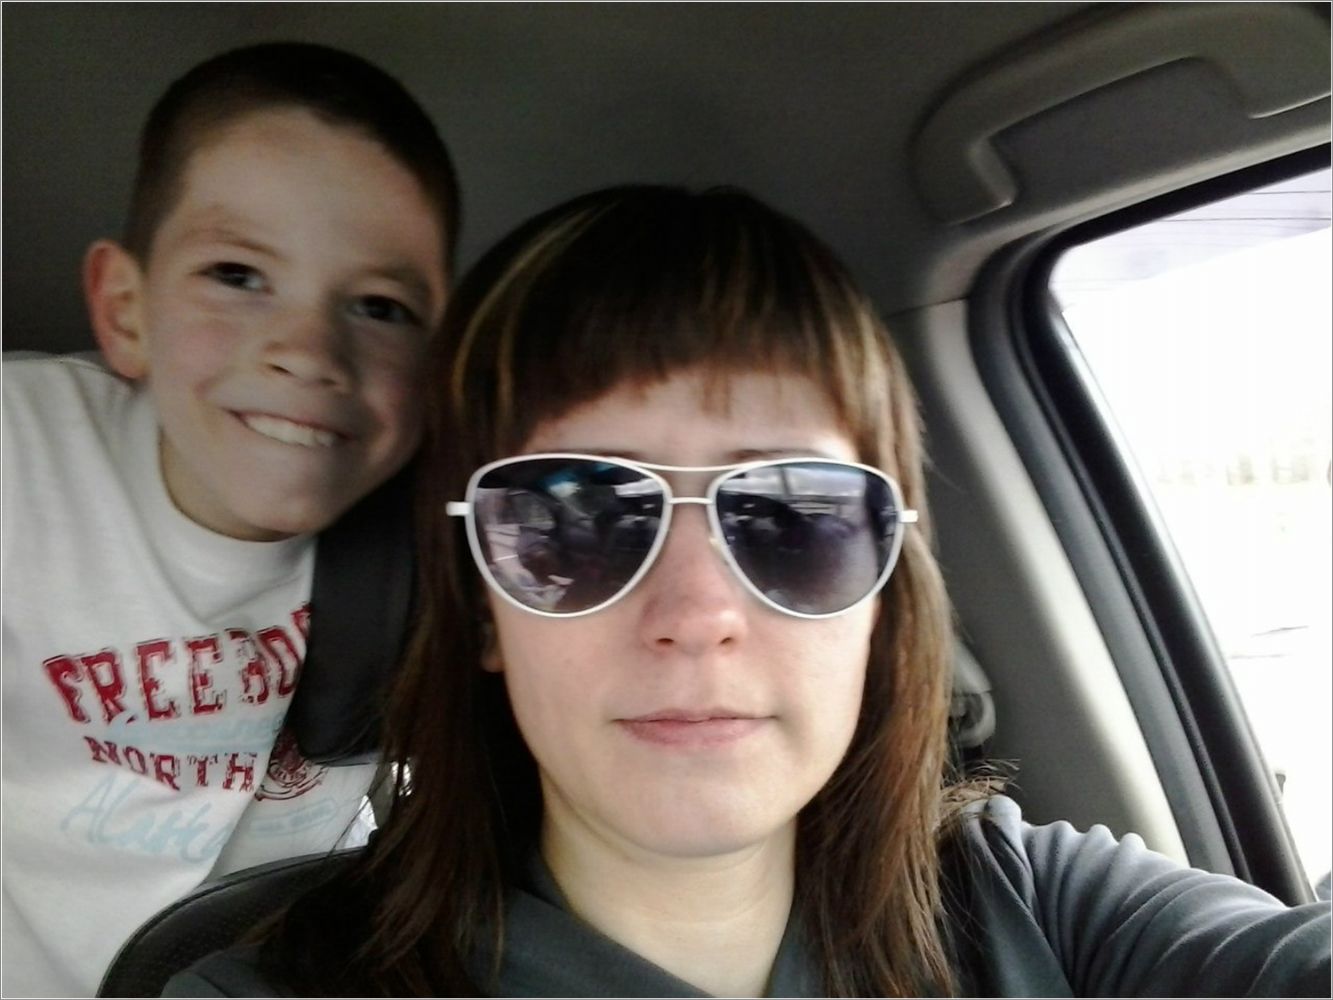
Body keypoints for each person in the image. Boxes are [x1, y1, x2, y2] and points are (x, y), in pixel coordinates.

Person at [165, 186, 1329, 997]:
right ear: (480, 606)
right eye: (576, 518)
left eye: (792, 518)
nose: (697, 615)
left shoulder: (1038, 907)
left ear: (881, 593)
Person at [1, 42, 458, 997]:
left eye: (379, 306)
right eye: (239, 275)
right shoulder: (21, 457)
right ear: (126, 310)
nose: (307, 350)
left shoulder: (445, 537)